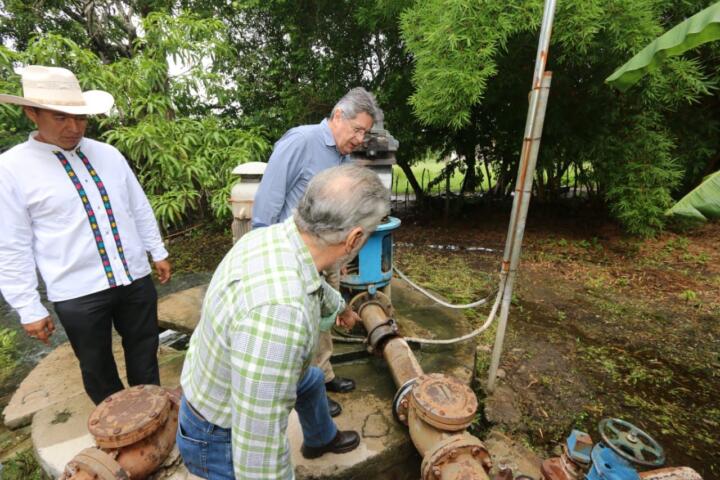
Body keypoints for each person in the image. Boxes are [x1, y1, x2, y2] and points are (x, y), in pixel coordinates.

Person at [178, 164, 390, 479]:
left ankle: (320, 438)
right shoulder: (280, 314)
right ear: (355, 239)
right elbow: (258, 453)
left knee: (312, 379)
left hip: (215, 382)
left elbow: (313, 283)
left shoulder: (273, 237)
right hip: (218, 437)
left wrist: (340, 309)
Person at [0, 65, 171, 405]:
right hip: (77, 290)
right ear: (31, 112)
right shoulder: (11, 169)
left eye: (80, 118)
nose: (74, 127)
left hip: (133, 276)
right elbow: (11, 244)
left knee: (145, 351)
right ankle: (118, 431)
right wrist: (27, 305)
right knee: (96, 368)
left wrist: (157, 251)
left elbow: (137, 206)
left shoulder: (107, 154)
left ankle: (152, 413)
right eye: (61, 117)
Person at [252, 87, 381, 415]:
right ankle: (304, 393)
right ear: (338, 116)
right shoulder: (300, 142)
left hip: (329, 254)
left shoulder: (342, 156)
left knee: (326, 318)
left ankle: (323, 376)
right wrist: (262, 254)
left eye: (365, 132)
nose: (360, 138)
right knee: (302, 326)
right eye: (357, 130)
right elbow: (269, 199)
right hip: (295, 256)